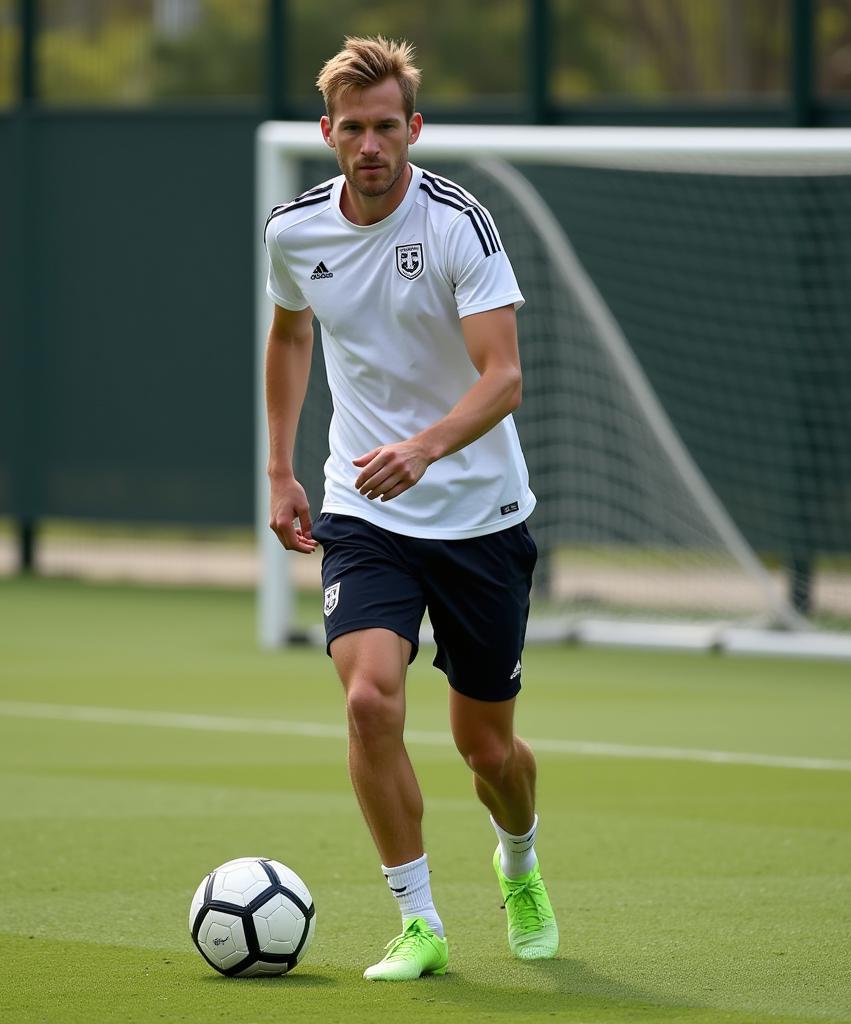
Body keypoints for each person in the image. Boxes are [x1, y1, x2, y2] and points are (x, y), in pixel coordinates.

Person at [263, 35, 558, 981]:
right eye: (353, 128)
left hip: (479, 515)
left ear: (413, 129)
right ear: (329, 134)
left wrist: (427, 448)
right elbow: (288, 337)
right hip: (364, 510)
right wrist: (280, 469)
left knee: (490, 750)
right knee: (367, 699)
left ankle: (519, 864)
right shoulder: (294, 231)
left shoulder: (458, 225)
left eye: (387, 126)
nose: (371, 144)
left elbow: (503, 378)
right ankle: (419, 921)